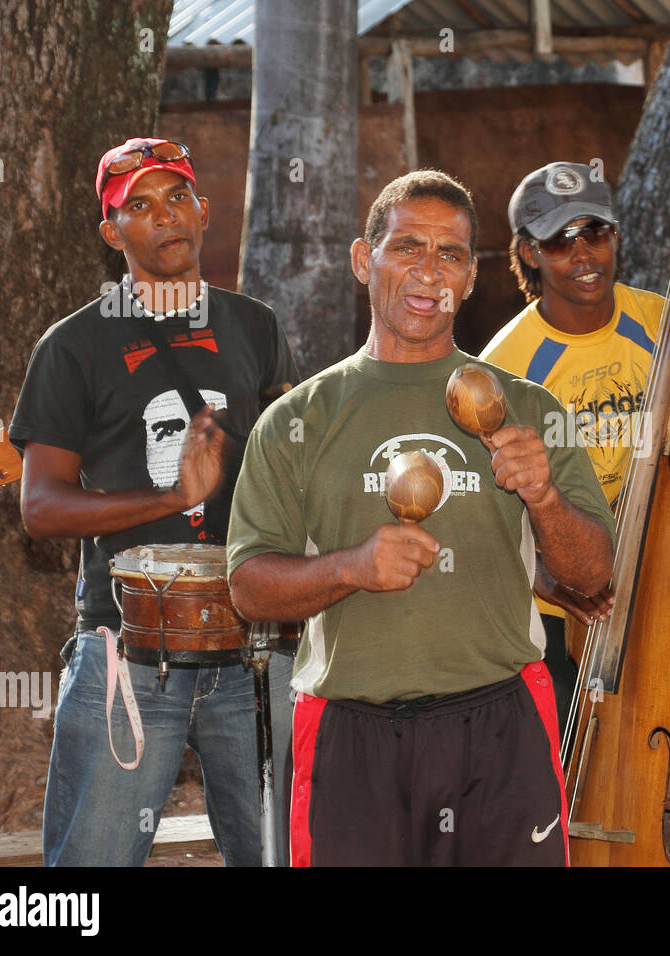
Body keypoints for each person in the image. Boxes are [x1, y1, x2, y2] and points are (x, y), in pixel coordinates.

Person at [225, 170, 615, 867]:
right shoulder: (298, 419)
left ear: (469, 277)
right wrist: (351, 567)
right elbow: (249, 588)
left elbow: (593, 577)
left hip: (502, 725)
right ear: (361, 260)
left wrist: (544, 497)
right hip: (350, 729)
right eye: (407, 247)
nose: (429, 271)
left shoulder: (526, 409)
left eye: (451, 254)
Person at [10, 138, 301, 865]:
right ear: (113, 234)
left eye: (177, 197)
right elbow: (40, 508)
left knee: (285, 855)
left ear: (203, 210)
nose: (164, 216)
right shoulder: (72, 346)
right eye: (137, 205)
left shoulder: (255, 326)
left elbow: (292, 468)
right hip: (129, 652)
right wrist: (171, 495)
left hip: (255, 650)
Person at [480, 161, 670, 726]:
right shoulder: (506, 365)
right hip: (559, 610)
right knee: (564, 776)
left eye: (595, 232)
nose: (583, 255)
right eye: (559, 241)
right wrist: (547, 578)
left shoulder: (661, 322)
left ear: (615, 235)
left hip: (665, 577)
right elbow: (484, 516)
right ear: (528, 254)